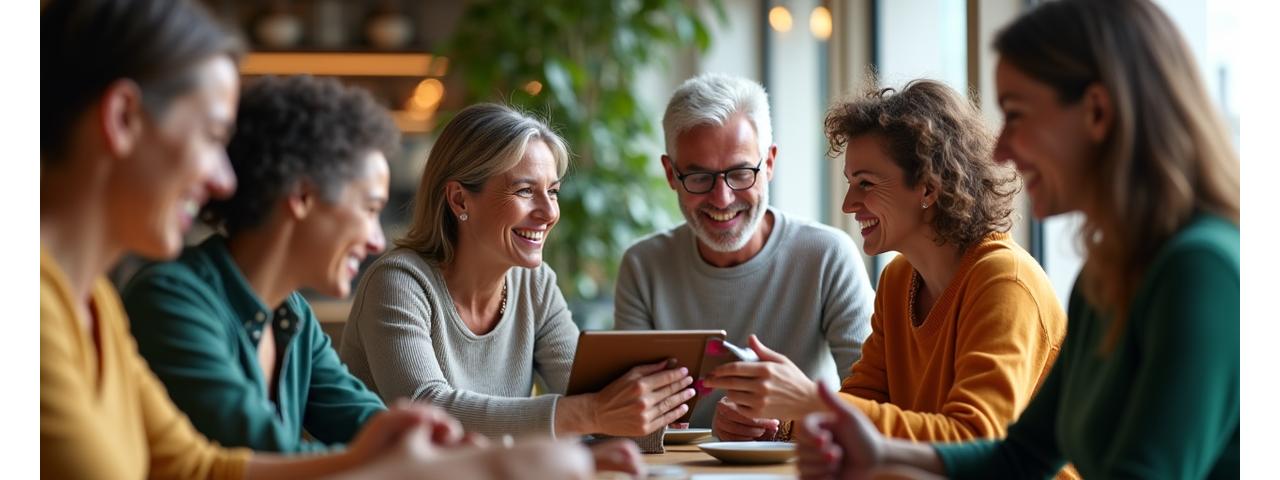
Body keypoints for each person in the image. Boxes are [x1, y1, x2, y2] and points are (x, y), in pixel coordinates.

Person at [40, 0, 592, 478]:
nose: (221, 179)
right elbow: (260, 454)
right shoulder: (146, 298)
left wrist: (469, 460)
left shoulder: (112, 308)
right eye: (211, 136)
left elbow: (202, 466)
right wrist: (493, 465)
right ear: (122, 117)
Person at [797, 1, 1239, 479]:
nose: (1001, 147)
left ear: (1096, 112)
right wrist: (879, 454)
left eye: (1017, 114)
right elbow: (1020, 457)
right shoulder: (1106, 273)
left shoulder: (1199, 269)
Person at [706, 78, 1070, 456]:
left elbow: (974, 439)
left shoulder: (1004, 282)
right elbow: (865, 400)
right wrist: (778, 424)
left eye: (865, 183)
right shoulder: (899, 280)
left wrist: (809, 402)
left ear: (929, 188)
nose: (848, 204)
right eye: (850, 183)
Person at [339, 103, 694, 447]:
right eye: (525, 191)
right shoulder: (399, 283)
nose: (548, 212)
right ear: (460, 200)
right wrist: (591, 413)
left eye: (552, 191)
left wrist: (656, 412)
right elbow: (430, 410)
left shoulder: (535, 284)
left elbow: (593, 399)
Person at [119, 75, 396, 453]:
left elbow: (367, 421)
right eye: (370, 209)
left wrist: (436, 443)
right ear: (302, 196)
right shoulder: (168, 300)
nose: (377, 241)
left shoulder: (292, 314)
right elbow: (264, 455)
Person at [614, 73, 876, 434]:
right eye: (699, 177)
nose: (722, 198)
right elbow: (628, 420)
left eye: (740, 173)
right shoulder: (643, 266)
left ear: (768, 163)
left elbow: (876, 407)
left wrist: (785, 420)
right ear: (670, 174)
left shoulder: (827, 256)